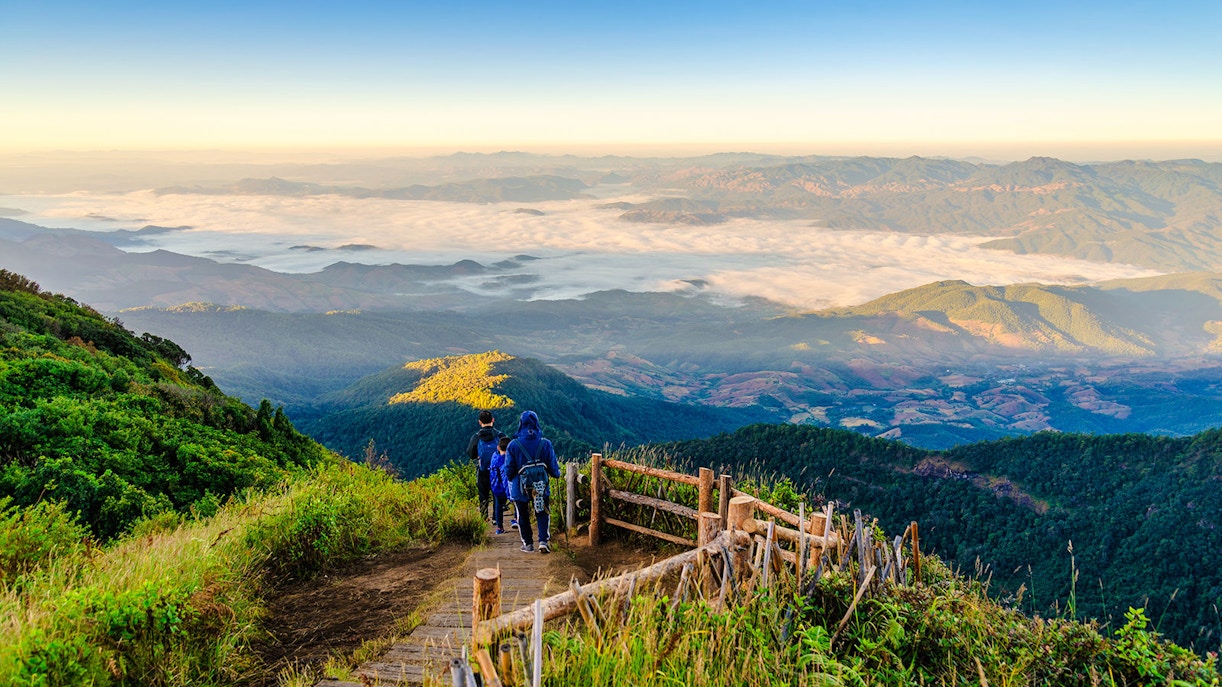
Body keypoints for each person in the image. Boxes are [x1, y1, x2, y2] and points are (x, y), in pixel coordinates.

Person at [505, 410, 560, 553]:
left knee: (522, 515)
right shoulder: (545, 443)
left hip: (520, 487)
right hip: (541, 486)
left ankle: (528, 545)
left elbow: (509, 470)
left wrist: (512, 479)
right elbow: (553, 467)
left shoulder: (513, 445)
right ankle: (543, 541)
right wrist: (556, 474)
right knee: (542, 512)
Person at [466, 410, 505, 525]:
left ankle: (483, 518)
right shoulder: (500, 436)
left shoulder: (476, 437)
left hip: (483, 470)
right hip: (498, 470)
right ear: (493, 420)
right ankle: (496, 518)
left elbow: (470, 454)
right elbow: (509, 451)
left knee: (483, 494)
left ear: (480, 422)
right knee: (497, 494)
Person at [489, 436, 511, 534]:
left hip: (496, 487)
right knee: (517, 503)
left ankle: (499, 526)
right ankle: (517, 519)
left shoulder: (494, 458)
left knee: (498, 506)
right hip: (509, 487)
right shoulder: (510, 459)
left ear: (498, 448)